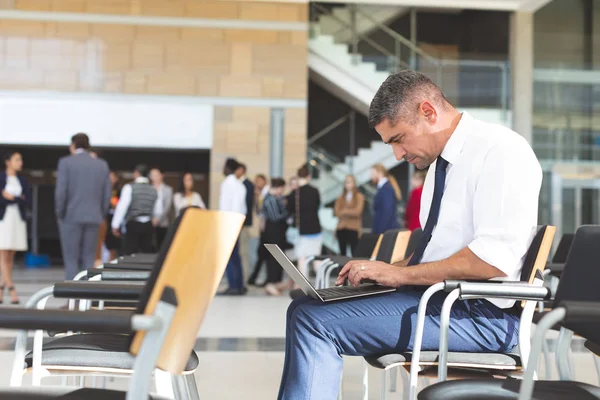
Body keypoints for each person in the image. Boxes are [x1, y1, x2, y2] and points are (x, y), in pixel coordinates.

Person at [277, 70, 542, 399]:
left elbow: (492, 260)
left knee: (315, 322)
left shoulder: (500, 151)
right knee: (303, 309)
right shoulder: (439, 167)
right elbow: (433, 253)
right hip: (443, 301)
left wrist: (400, 274)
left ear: (428, 112)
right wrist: (382, 270)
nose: (397, 155)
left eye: (398, 139)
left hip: (482, 317)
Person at [55, 133, 111, 280]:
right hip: (94, 217)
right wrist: (101, 213)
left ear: (73, 145)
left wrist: (60, 213)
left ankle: (73, 299)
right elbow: (107, 195)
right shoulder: (101, 164)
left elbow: (61, 192)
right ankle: (86, 298)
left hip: (71, 216)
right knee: (89, 258)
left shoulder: (66, 162)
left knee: (71, 259)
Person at [0, 151, 31, 304]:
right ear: (8, 162)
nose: (20, 162)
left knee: (10, 256)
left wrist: (11, 198)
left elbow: (27, 200)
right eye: (17, 159)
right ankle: (11, 288)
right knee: (3, 254)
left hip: (17, 219)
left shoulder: (22, 180)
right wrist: (16, 199)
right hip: (3, 219)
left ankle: (1, 288)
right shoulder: (1, 178)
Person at [111, 164, 162, 255]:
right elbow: (159, 210)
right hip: (148, 226)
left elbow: (122, 207)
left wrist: (115, 225)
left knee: (129, 255)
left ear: (136, 173)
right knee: (146, 255)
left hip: (133, 224)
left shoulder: (130, 187)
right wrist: (155, 220)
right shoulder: (154, 189)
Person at [286, 166, 322, 278]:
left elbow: (289, 210)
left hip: (302, 231)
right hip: (316, 230)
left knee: (302, 260)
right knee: (317, 260)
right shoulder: (315, 191)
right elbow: (317, 206)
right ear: (309, 177)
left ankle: (304, 288)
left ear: (297, 177)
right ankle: (321, 285)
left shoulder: (294, 194)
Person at [218, 158, 247, 295]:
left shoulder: (227, 183)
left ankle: (233, 286)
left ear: (228, 168)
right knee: (236, 256)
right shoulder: (240, 185)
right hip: (238, 222)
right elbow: (242, 208)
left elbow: (225, 206)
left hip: (228, 222)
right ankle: (239, 285)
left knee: (229, 256)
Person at [261, 178, 289, 296]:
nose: (282, 191)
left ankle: (275, 282)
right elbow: (275, 216)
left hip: (276, 231)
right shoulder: (270, 199)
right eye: (282, 189)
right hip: (273, 232)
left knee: (277, 257)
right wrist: (287, 213)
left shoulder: (275, 198)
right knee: (274, 257)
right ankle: (271, 283)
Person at [334, 175, 365, 256]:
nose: (348, 184)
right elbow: (337, 213)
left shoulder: (359, 196)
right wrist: (350, 211)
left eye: (350, 182)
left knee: (354, 253)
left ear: (354, 183)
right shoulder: (340, 197)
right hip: (341, 228)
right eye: (346, 182)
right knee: (342, 255)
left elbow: (358, 212)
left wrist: (344, 211)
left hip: (353, 228)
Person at [247, 174, 269, 286]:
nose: (257, 183)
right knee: (254, 253)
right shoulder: (255, 195)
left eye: (259, 181)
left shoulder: (266, 194)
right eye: (256, 181)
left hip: (264, 229)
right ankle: (254, 276)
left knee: (260, 255)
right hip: (255, 229)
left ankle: (261, 277)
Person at [371, 163, 402, 234]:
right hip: (384, 230)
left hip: (385, 230)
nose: (371, 176)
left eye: (373, 173)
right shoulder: (383, 188)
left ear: (379, 173)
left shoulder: (386, 188)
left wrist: (381, 233)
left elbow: (387, 211)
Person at [149, 167, 174, 249]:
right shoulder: (148, 188)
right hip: (150, 221)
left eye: (156, 175)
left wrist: (158, 219)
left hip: (163, 222)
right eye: (152, 175)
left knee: (162, 246)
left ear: (161, 175)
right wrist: (152, 218)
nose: (154, 177)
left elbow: (167, 207)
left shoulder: (168, 189)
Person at [238, 163, 255, 278]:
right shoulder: (237, 184)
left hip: (243, 223)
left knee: (243, 252)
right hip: (238, 223)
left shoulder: (247, 185)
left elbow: (247, 205)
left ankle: (243, 277)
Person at [104, 170, 122, 260]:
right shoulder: (102, 190)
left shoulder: (119, 191)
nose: (110, 180)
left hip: (114, 218)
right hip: (104, 218)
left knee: (113, 245)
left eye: (113, 177)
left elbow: (119, 205)